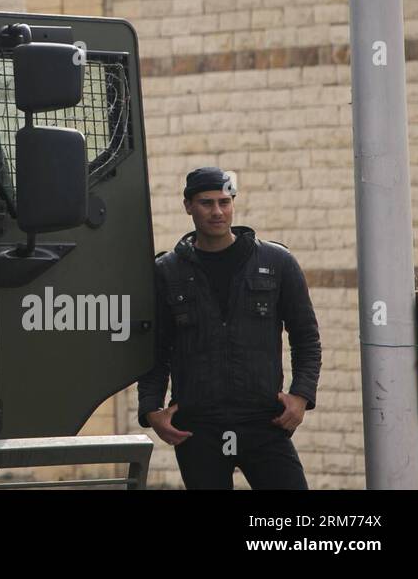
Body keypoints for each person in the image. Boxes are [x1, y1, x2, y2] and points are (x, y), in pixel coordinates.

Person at [137, 167, 322, 489]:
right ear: (188, 206)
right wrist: (151, 409)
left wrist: (301, 395)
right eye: (206, 203)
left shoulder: (276, 262)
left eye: (224, 202)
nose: (217, 212)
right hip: (197, 425)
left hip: (264, 419)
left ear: (233, 203)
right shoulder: (167, 271)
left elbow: (306, 337)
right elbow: (156, 348)